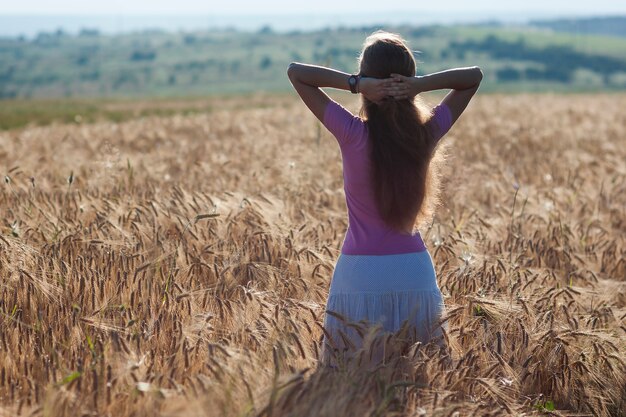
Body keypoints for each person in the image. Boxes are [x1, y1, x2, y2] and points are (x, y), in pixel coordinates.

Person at [287, 30, 483, 369]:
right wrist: (419, 85)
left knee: (346, 378)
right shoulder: (427, 134)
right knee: (420, 379)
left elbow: (297, 74)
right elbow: (473, 77)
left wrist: (355, 83)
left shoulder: (351, 133)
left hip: (358, 275)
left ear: (368, 81)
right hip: (414, 273)